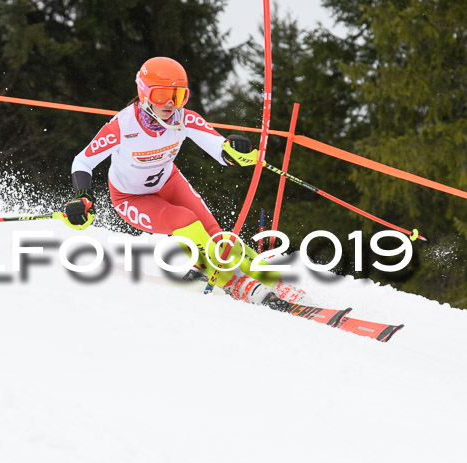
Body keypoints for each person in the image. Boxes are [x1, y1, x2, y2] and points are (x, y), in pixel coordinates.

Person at [63, 56, 309, 305]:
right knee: (186, 221)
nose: (170, 104)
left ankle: (264, 274)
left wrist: (236, 150)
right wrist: (84, 196)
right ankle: (234, 281)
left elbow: (222, 152)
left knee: (215, 235)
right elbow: (82, 161)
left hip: (169, 181)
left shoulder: (185, 120)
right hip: (131, 198)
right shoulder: (122, 126)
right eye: (161, 96)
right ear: (144, 93)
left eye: (178, 96)